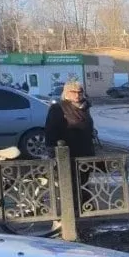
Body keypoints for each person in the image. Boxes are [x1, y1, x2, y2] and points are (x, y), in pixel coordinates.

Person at [45, 80, 96, 211]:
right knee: (70, 182)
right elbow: (51, 130)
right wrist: (52, 149)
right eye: (73, 92)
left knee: (83, 181)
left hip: (85, 152)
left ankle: (85, 207)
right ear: (66, 93)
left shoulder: (85, 107)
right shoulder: (58, 108)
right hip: (67, 152)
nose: (77, 95)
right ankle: (72, 210)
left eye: (80, 92)